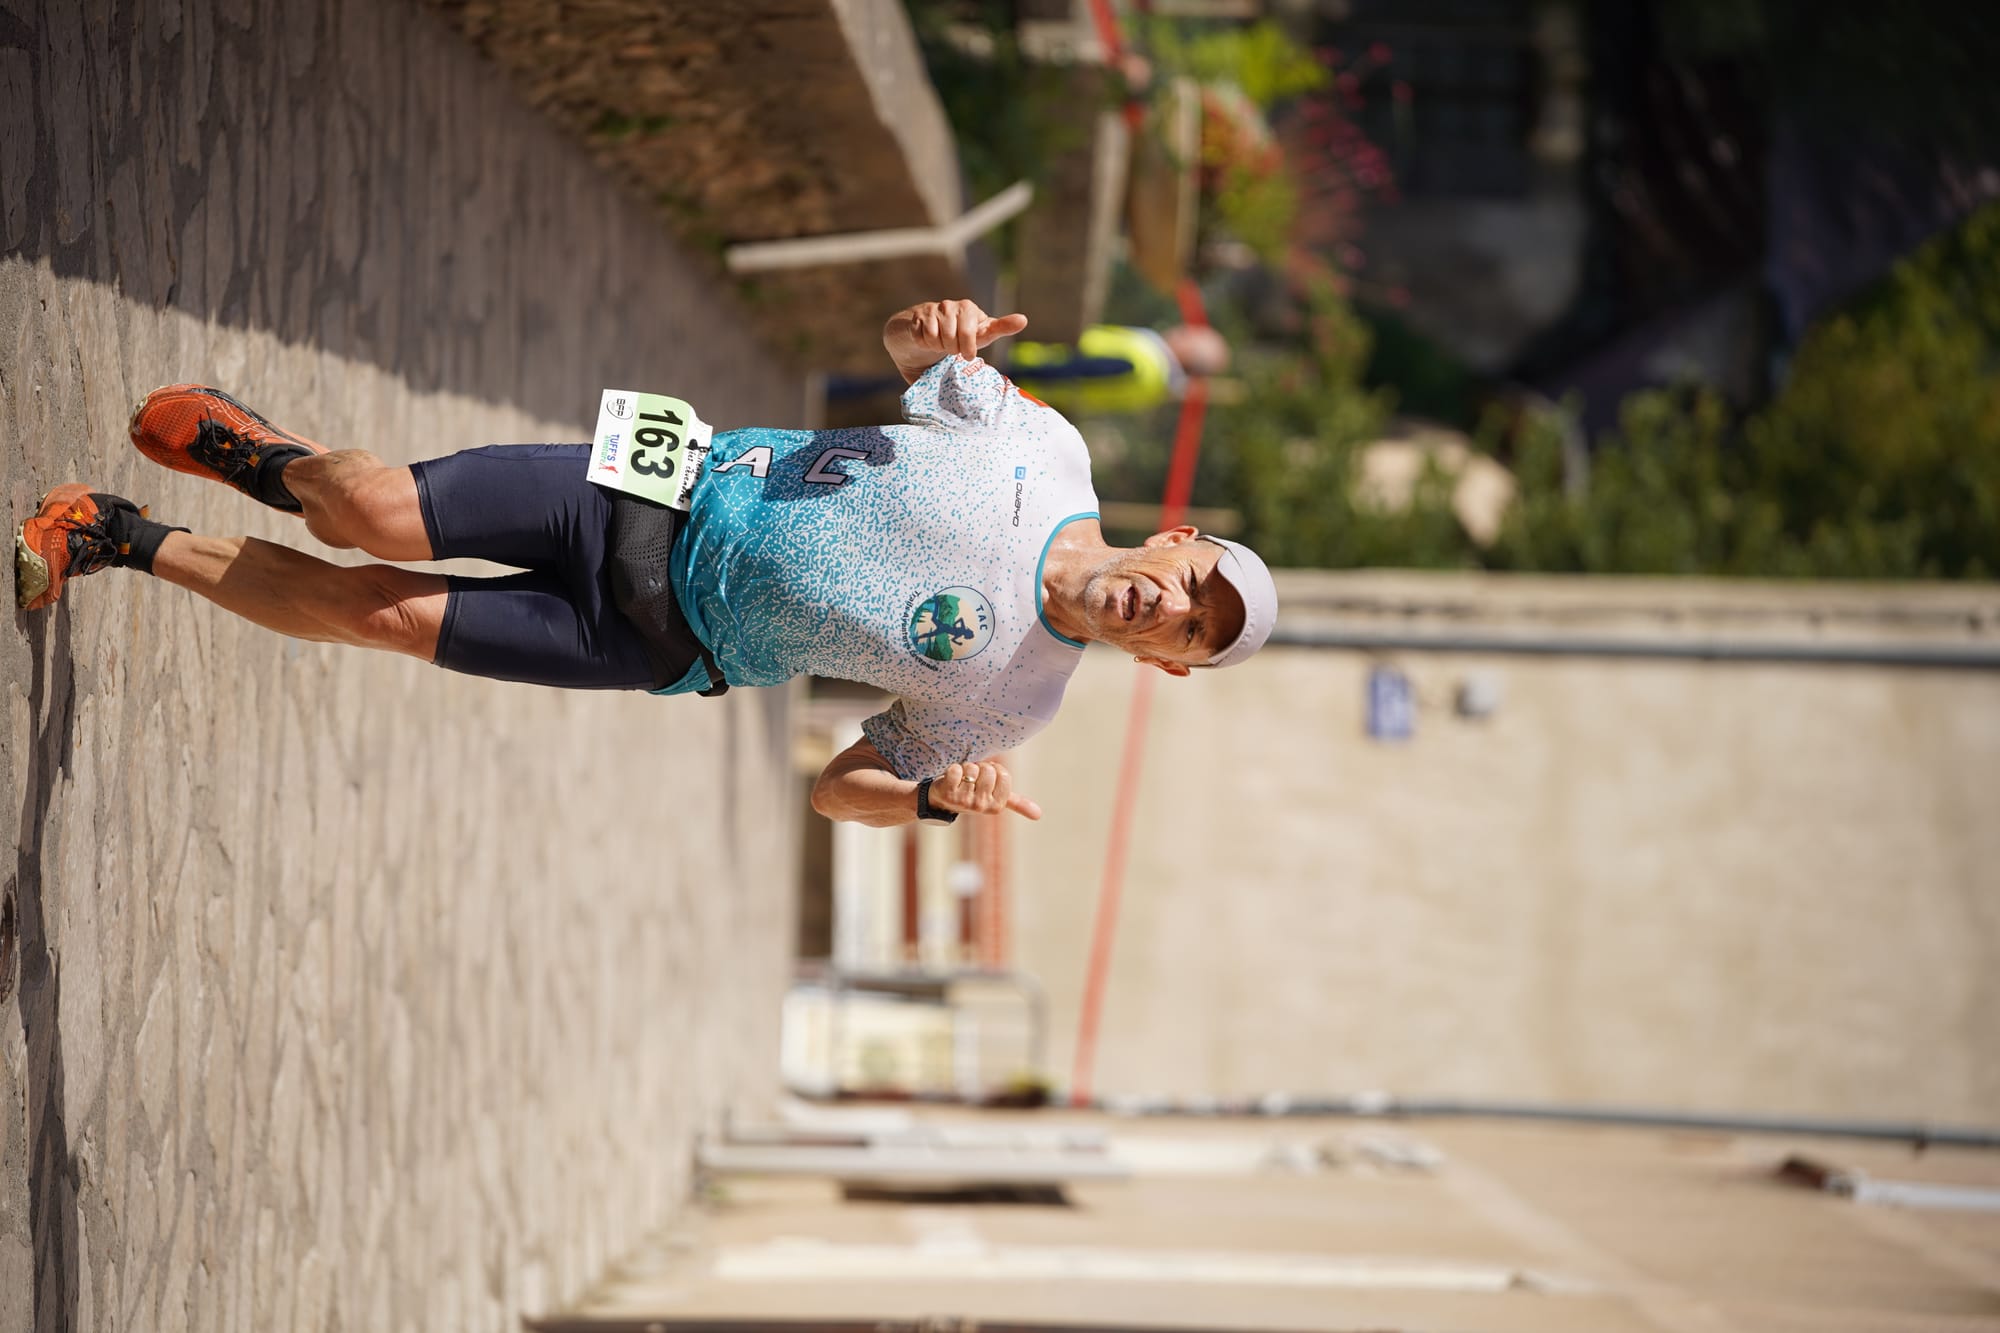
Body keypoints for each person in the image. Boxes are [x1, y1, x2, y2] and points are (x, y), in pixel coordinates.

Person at [15, 299, 1277, 826]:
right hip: (664, 484)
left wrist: (932, 803)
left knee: (379, 615)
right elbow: (907, 347)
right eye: (1193, 585)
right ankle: (274, 461)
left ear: (1164, 665)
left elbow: (838, 790)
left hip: (663, 643)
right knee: (368, 513)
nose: (1170, 609)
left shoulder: (1010, 704)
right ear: (1174, 538)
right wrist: (928, 324)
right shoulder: (1043, 449)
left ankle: (119, 535)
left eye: (1191, 633)